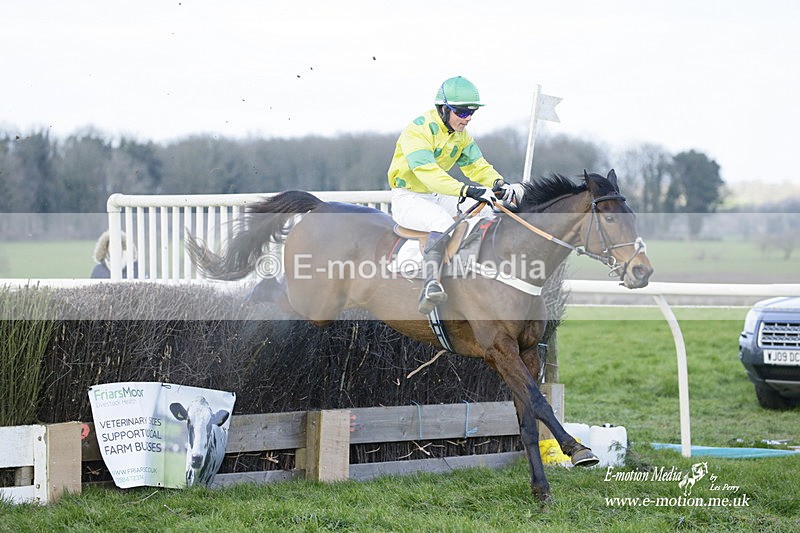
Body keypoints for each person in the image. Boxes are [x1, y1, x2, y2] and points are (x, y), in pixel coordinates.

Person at [387, 75, 523, 314]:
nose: (467, 118)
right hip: (408, 197)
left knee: (488, 210)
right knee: (441, 222)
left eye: (471, 112)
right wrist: (466, 190)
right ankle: (430, 286)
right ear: (443, 108)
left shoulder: (461, 135)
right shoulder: (417, 130)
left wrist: (498, 183)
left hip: (437, 195)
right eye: (461, 112)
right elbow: (427, 173)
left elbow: (476, 166)